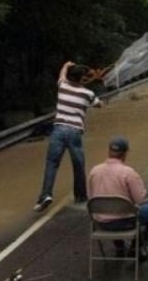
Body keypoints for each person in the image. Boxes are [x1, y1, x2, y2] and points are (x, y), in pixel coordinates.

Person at [34, 61, 103, 212]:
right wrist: (97, 88)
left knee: (52, 163)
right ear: (81, 78)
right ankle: (81, 196)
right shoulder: (88, 94)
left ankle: (45, 195)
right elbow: (99, 104)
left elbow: (62, 74)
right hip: (74, 132)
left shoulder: (62, 87)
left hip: (58, 130)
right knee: (78, 165)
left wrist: (66, 65)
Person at [88, 137, 148, 262]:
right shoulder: (128, 173)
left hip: (100, 224)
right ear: (124, 154)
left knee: (112, 211)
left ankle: (119, 247)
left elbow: (91, 197)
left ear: (109, 152)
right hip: (126, 222)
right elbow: (140, 199)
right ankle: (137, 246)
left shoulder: (94, 171)